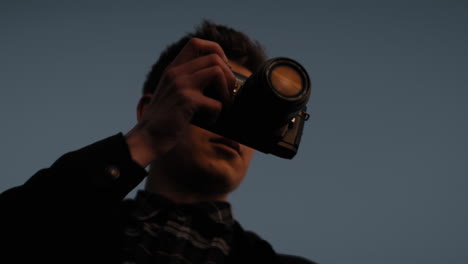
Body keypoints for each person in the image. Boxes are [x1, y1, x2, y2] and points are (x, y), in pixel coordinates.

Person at [0, 20, 315, 264]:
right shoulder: (67, 230)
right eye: (217, 97)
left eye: (252, 114)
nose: (235, 126)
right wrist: (143, 139)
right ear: (150, 109)